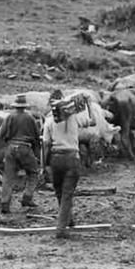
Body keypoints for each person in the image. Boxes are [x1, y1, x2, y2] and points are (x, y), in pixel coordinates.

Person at [42, 90, 83, 238]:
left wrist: (44, 165)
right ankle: (60, 229)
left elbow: (46, 144)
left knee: (60, 193)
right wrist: (89, 105)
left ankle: (68, 219)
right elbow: (92, 121)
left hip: (56, 159)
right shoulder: (74, 118)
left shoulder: (48, 121)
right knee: (67, 194)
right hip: (72, 158)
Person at [0, 94, 42, 214]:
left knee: (8, 177)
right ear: (25, 106)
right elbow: (36, 137)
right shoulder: (30, 118)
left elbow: (0, 134)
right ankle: (27, 197)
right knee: (33, 172)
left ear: (15, 106)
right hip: (25, 148)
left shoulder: (9, 117)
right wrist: (37, 153)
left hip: (10, 149)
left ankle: (5, 204)